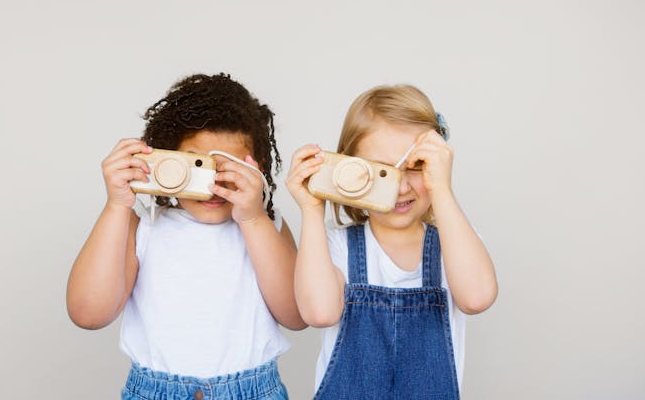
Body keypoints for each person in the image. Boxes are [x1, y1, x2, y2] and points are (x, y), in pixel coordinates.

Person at [67, 73, 305, 400]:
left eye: (230, 169)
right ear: (165, 160)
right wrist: (117, 205)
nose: (213, 185)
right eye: (197, 166)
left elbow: (297, 315)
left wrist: (253, 218)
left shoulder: (267, 225)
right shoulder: (143, 228)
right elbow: (88, 314)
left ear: (258, 168)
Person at [286, 84, 498, 399]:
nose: (400, 187)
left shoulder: (455, 245)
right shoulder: (334, 246)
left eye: (417, 167)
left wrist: (441, 189)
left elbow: (477, 297)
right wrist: (312, 210)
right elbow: (319, 313)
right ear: (349, 170)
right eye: (381, 172)